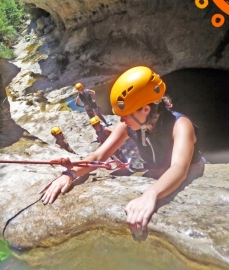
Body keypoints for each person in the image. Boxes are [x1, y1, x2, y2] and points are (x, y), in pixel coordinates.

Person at [40, 66, 205, 238]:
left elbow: (179, 168)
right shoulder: (130, 124)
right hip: (156, 173)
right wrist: (70, 174)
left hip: (186, 175)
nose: (121, 120)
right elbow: (98, 156)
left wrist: (151, 194)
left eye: (125, 114)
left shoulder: (180, 125)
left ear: (146, 109)